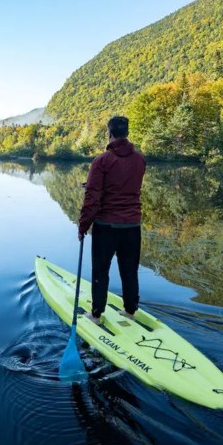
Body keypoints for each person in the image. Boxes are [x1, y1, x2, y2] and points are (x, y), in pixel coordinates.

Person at [78, 116, 146, 322]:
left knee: (101, 269)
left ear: (109, 132)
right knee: (129, 269)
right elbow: (126, 184)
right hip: (133, 224)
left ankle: (97, 314)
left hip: (106, 225)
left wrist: (83, 226)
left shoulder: (102, 160)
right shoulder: (140, 159)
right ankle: (130, 310)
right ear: (127, 132)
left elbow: (93, 198)